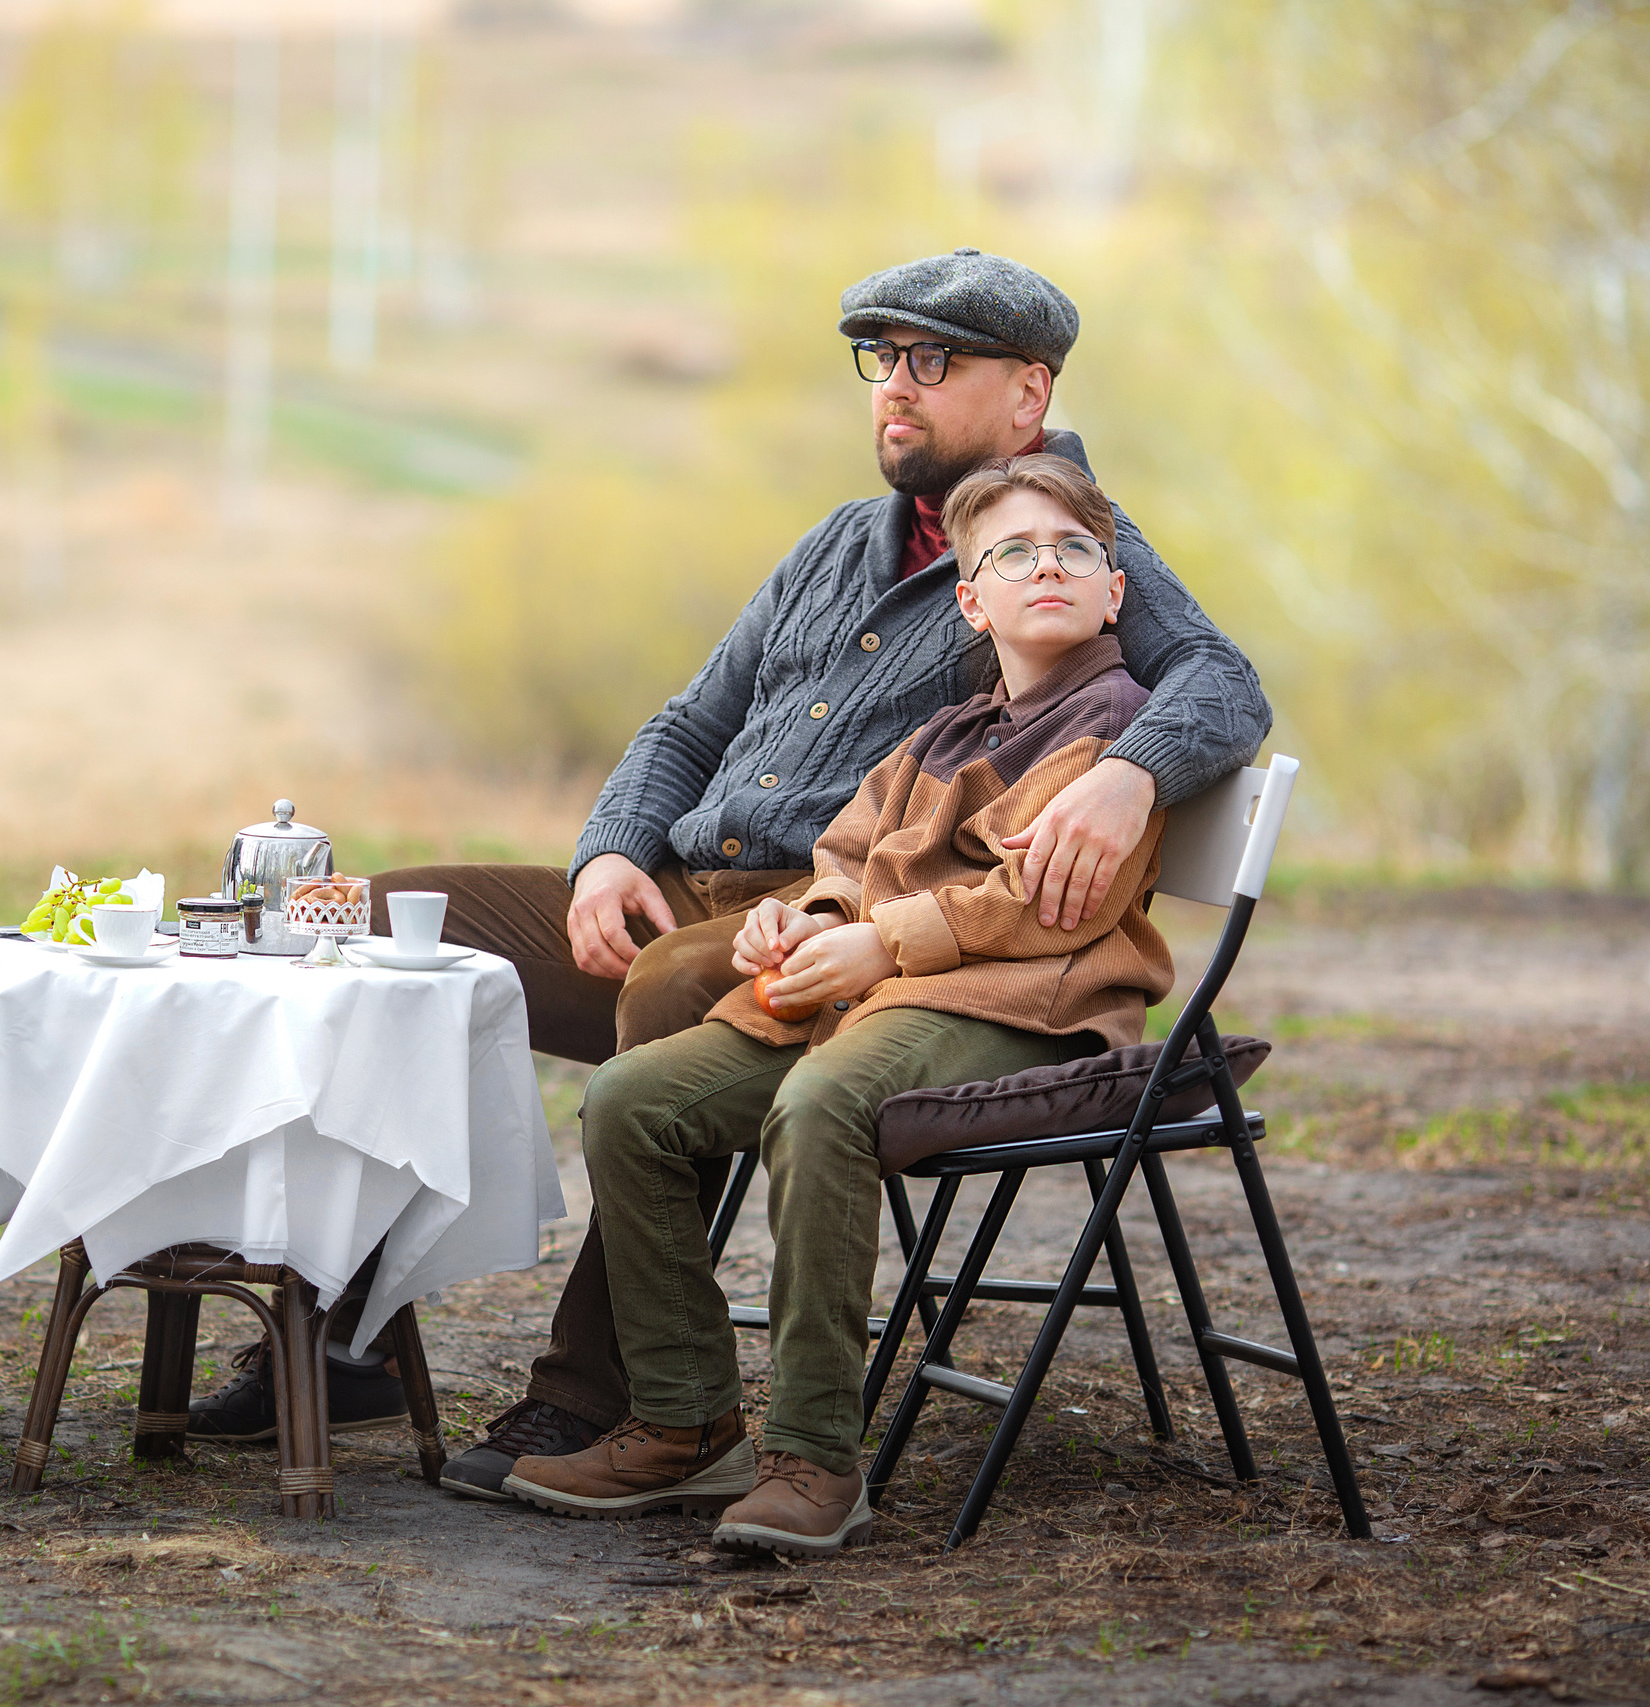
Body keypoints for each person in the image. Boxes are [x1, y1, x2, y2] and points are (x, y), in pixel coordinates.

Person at [183, 249, 1269, 1491]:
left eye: (932, 361)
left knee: (670, 999)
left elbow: (1224, 682)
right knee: (370, 926)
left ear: (1029, 394)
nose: (893, 389)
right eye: (880, 359)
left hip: (814, 928)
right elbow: (688, 723)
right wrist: (606, 856)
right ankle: (340, 1337)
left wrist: (1130, 771)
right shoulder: (831, 545)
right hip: (680, 884)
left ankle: (599, 1399)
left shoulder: (1054, 547)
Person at [498, 453, 1171, 1554]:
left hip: (1018, 1012)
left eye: (1074, 550)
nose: (1046, 565)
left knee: (821, 1107)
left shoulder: (1115, 738)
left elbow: (1039, 907)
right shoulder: (947, 732)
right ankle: (681, 1422)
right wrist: (807, 914)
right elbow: (850, 851)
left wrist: (880, 942)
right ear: (971, 600)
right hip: (879, 997)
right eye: (1012, 552)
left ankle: (813, 1456)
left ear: (1112, 591)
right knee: (632, 1100)